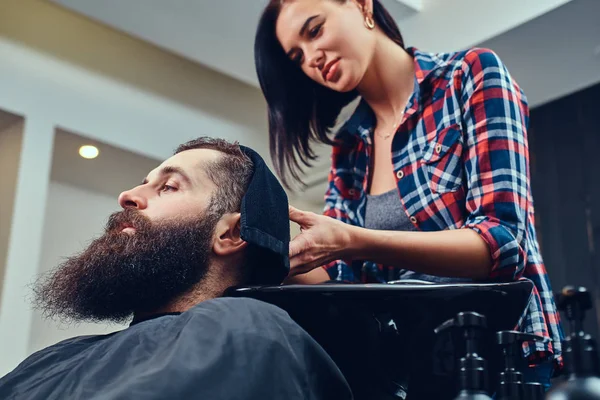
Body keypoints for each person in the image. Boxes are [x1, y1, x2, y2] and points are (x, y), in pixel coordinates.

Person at [254, 0, 564, 390]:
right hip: (409, 364)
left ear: (362, 6)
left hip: (499, 355)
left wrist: (350, 240)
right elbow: (340, 277)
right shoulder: (349, 146)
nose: (311, 59)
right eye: (296, 57)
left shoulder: (469, 76)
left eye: (314, 30)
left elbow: (501, 244)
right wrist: (266, 256)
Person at [0, 137, 353, 400]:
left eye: (168, 186)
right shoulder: (59, 356)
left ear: (230, 233)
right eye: (143, 182)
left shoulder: (245, 329)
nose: (127, 195)